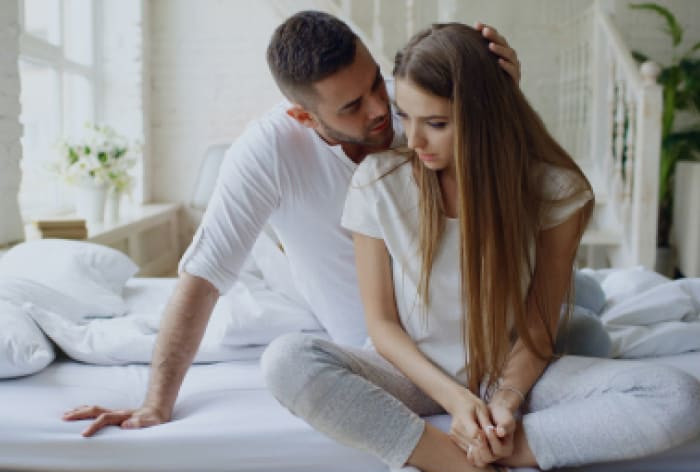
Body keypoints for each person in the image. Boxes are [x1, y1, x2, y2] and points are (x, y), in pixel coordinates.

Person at [260, 23, 700, 472]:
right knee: (287, 361)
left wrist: (506, 402)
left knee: (679, 398)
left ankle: (443, 455)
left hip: (511, 372)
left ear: (484, 114)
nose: (416, 140)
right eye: (407, 116)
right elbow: (382, 326)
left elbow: (538, 323)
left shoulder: (556, 191)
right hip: (414, 374)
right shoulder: (378, 182)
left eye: (438, 123)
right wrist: (457, 400)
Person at [61, 12, 521, 436]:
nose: (381, 109)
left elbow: (511, 181)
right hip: (378, 342)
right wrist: (156, 404)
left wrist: (501, 99)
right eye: (352, 106)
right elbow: (203, 276)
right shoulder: (269, 149)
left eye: (376, 84)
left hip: (465, 318)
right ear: (303, 116)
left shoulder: (410, 107)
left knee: (575, 322)